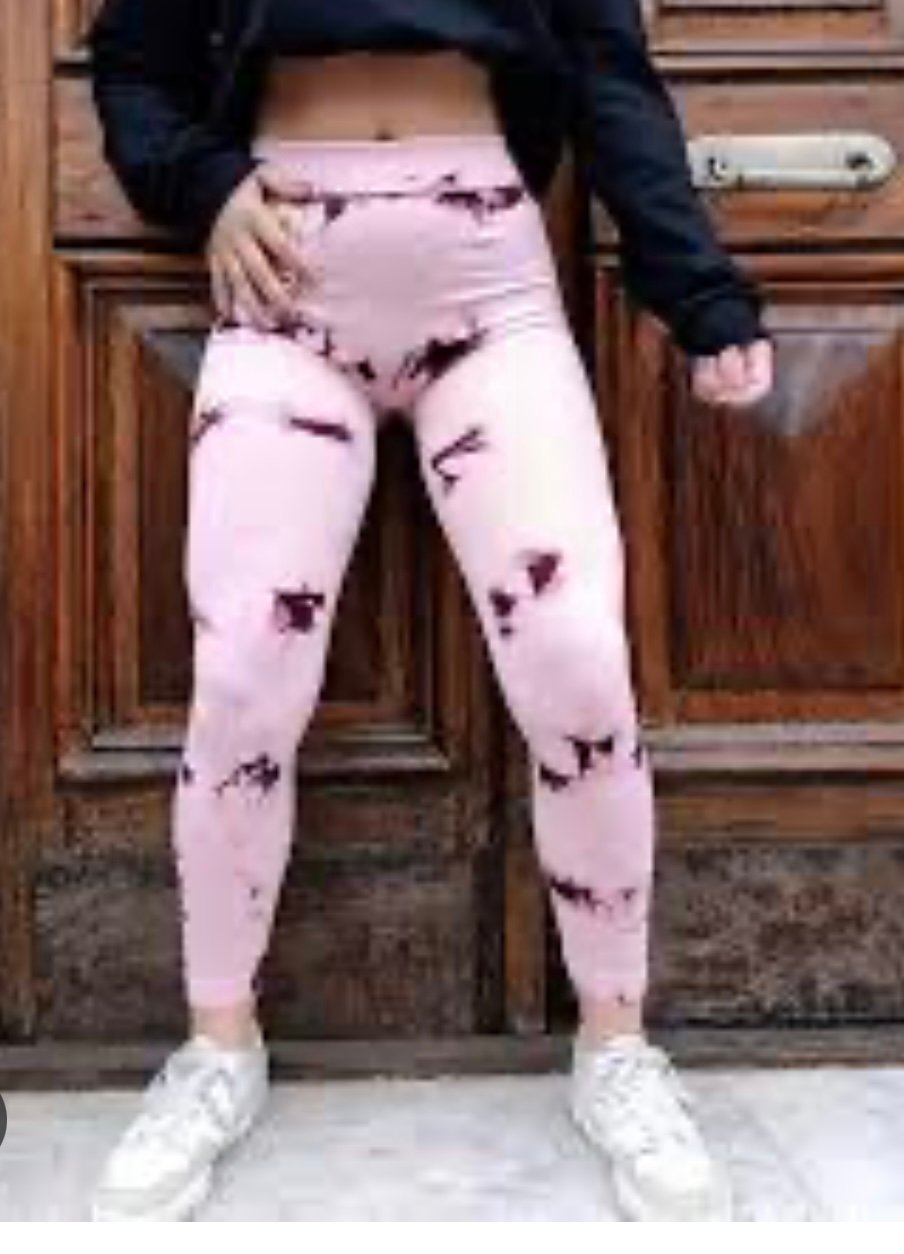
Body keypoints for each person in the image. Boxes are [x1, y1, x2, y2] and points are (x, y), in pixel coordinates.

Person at [87, 0, 774, 1223]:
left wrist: (698, 290)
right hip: (284, 285)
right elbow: (133, 66)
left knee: (576, 657)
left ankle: (616, 1046)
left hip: (489, 291)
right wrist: (206, 182)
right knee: (242, 673)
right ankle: (216, 1046)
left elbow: (608, 73)